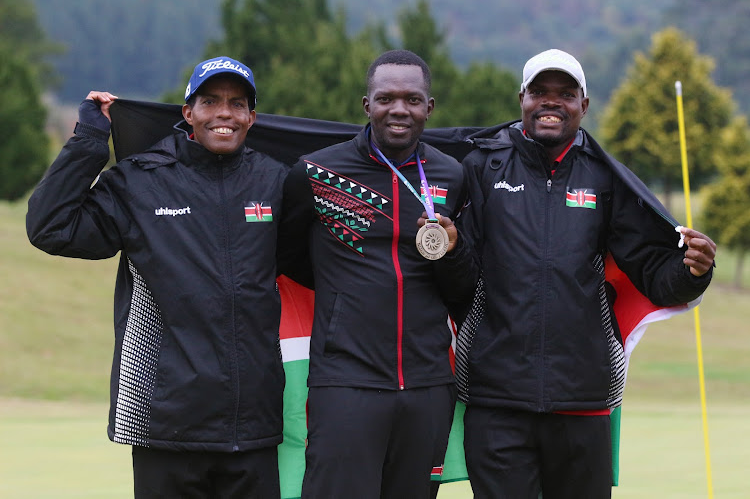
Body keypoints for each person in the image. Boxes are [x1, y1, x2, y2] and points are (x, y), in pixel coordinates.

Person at [456, 48, 717, 499]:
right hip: (497, 399)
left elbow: (652, 272)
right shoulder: (482, 166)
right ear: (522, 98)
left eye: (565, 94)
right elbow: (458, 275)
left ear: (584, 105)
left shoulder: (605, 176)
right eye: (539, 92)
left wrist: (693, 271)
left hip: (584, 397)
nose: (550, 103)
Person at [26, 56, 289, 498]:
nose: (224, 113)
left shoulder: (275, 181)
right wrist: (90, 139)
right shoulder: (140, 181)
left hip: (253, 428)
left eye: (237, 103)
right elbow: (51, 227)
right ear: (188, 112)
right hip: (165, 423)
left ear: (251, 117)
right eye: (210, 101)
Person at [279, 49, 477, 498]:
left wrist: (452, 250)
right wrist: (344, 295)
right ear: (367, 105)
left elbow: (464, 285)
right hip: (346, 381)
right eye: (386, 98)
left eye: (412, 99)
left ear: (430, 107)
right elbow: (289, 259)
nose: (399, 109)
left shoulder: (452, 174)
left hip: (428, 383)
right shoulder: (316, 173)